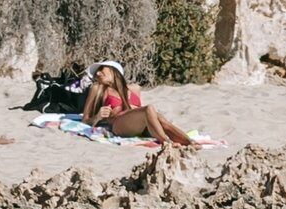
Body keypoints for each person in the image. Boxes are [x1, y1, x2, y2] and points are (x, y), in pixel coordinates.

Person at [77, 61, 208, 147]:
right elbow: (84, 121)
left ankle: (190, 143)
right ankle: (166, 143)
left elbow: (141, 114)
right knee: (149, 109)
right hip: (118, 125)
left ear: (114, 70)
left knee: (160, 118)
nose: (98, 73)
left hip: (139, 126)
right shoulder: (98, 89)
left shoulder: (134, 88)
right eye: (96, 73)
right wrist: (98, 117)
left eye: (101, 69)